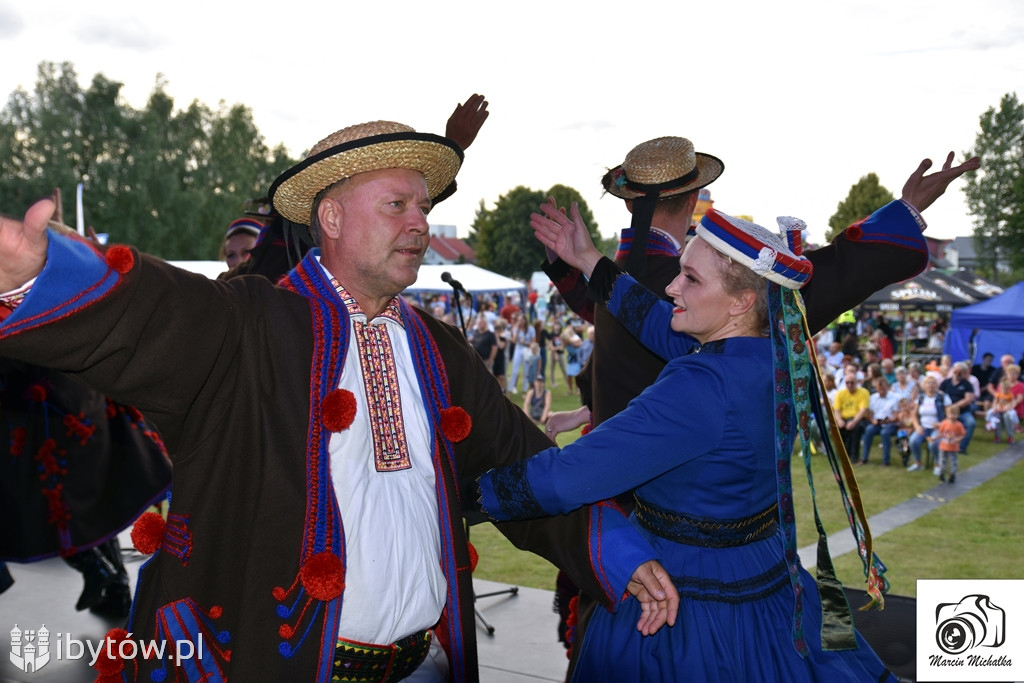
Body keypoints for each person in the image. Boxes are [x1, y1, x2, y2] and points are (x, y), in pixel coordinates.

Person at [0, 121, 672, 682]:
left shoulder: (438, 349)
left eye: (425, 209)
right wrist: (43, 275)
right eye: (397, 205)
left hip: (426, 666)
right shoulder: (250, 326)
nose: (421, 223)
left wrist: (615, 547)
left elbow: (523, 464)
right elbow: (152, 314)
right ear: (330, 215)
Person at [540, 138, 979, 668]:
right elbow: (829, 273)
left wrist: (586, 262)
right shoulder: (724, 282)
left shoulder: (608, 281)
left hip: (614, 532)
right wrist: (906, 211)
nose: (681, 287)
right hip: (707, 555)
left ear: (628, 198)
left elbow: (621, 355)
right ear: (697, 194)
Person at [477, 201, 900, 682]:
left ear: (740, 302)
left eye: (691, 279)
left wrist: (468, 490)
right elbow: (657, 321)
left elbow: (568, 477)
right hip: (762, 567)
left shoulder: (702, 386)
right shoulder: (771, 352)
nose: (673, 286)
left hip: (686, 594)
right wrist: (589, 259)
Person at [908, 375, 950, 472]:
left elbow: (949, 415)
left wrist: (942, 425)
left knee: (933, 443)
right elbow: (913, 415)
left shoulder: (943, 397)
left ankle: (938, 464)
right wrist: (917, 426)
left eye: (933, 383)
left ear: (937, 385)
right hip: (924, 427)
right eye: (928, 383)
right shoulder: (921, 398)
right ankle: (918, 463)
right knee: (913, 441)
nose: (931, 385)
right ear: (924, 385)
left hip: (938, 428)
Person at [861, 376, 901, 466]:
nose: (882, 390)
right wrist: (872, 420)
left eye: (883, 388)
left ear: (887, 386)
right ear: (876, 388)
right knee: (868, 430)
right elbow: (869, 414)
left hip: (891, 423)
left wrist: (890, 420)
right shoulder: (873, 398)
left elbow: (897, 415)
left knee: (885, 433)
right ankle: (864, 458)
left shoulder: (895, 398)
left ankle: (886, 460)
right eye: (879, 389)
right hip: (877, 422)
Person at [939, 361, 977, 454]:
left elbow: (968, 399)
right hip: (946, 411)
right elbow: (939, 395)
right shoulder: (945, 383)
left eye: (960, 372)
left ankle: (962, 447)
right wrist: (948, 409)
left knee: (971, 423)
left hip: (962, 411)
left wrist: (955, 407)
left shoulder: (967, 384)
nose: (957, 374)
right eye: (955, 372)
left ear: (964, 373)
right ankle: (943, 445)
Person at [834, 371, 871, 462]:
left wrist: (854, 422)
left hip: (858, 419)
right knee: (838, 428)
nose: (849, 385)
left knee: (856, 429)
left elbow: (863, 410)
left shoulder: (864, 392)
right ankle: (842, 455)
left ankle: (854, 456)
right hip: (844, 418)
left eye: (852, 382)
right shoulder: (840, 393)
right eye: (847, 382)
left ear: (857, 382)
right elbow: (837, 409)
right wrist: (839, 420)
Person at [931, 404, 967, 483]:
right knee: (942, 460)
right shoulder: (944, 423)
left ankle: (952, 475)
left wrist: (958, 439)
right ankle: (942, 473)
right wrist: (934, 438)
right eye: (950, 414)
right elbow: (941, 433)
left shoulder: (959, 425)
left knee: (953, 461)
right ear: (947, 414)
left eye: (954, 414)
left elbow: (963, 434)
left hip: (953, 447)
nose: (952, 416)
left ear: (958, 415)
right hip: (943, 446)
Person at [985, 370, 1021, 444]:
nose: (1005, 390)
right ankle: (996, 434)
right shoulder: (998, 394)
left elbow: (1012, 403)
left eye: (1006, 389)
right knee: (995, 416)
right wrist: (995, 408)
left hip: (1006, 410)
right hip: (998, 409)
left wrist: (1006, 408)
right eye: (1003, 389)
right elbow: (995, 402)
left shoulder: (1010, 395)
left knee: (1008, 417)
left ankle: (1011, 435)